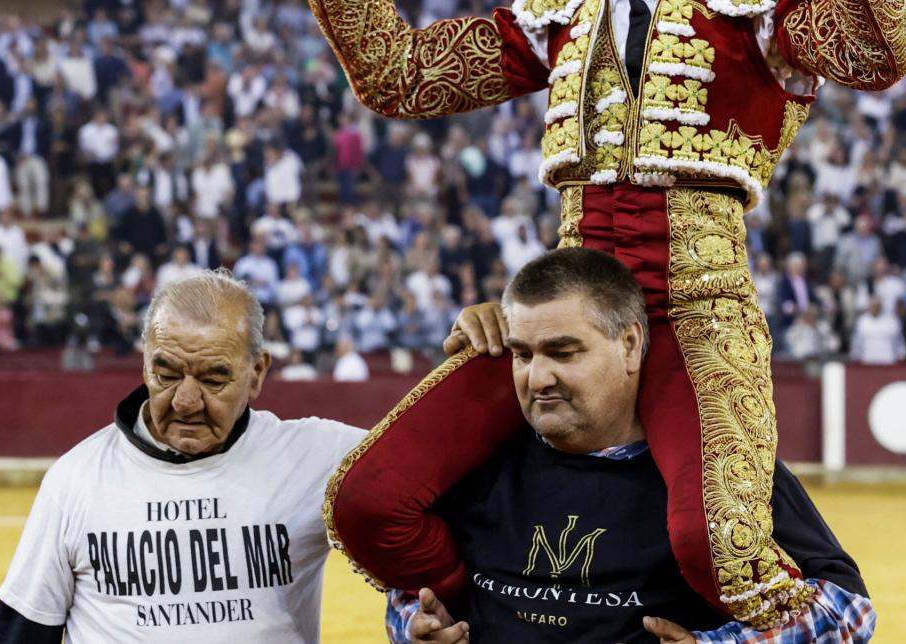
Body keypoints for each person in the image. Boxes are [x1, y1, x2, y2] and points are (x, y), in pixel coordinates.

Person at [301, 0, 906, 628]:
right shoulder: (555, 17)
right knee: (367, 500)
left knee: (720, 544)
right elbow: (398, 77)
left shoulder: (757, 5)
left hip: (695, 315)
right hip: (568, 312)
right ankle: (487, 616)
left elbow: (885, 50)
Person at [364, 249, 874, 643]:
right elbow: (412, 593)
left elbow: (849, 610)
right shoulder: (480, 464)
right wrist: (414, 625)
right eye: (522, 354)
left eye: (564, 352)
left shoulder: (709, 465)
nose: (538, 377)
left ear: (630, 345)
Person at [0, 270, 367, 642]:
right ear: (146, 363)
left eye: (213, 379)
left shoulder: (319, 458)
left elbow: (423, 481)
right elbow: (22, 631)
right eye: (166, 374)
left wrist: (411, 617)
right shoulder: (75, 479)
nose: (185, 401)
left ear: (257, 372)